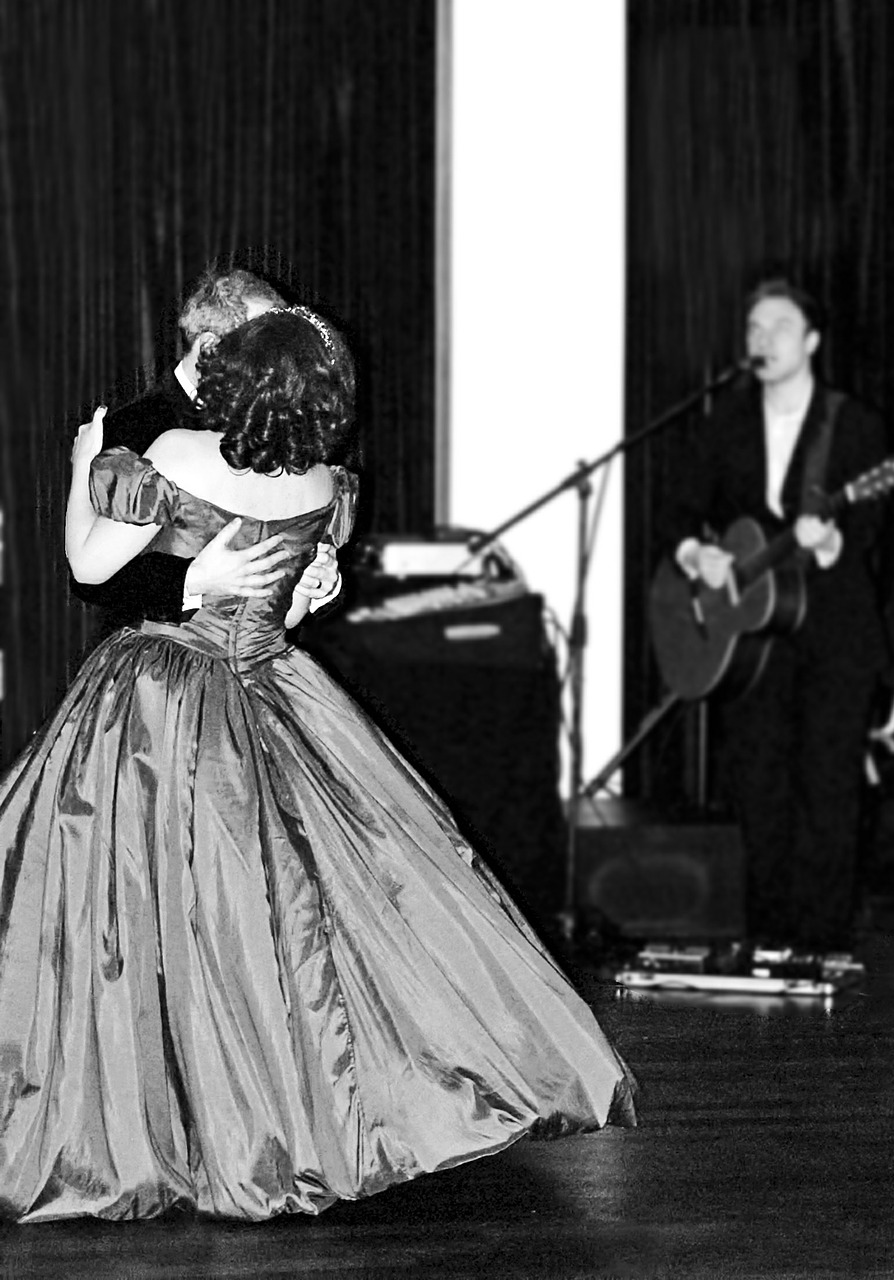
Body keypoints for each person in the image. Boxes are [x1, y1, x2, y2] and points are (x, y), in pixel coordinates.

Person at [0, 306, 635, 1224]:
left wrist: (77, 467)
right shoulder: (322, 486)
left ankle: (161, 1116)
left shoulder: (173, 457)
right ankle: (286, 1113)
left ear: (232, 382)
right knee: (282, 918)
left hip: (163, 691)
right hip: (268, 686)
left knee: (131, 906)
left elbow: (88, 567)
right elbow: (290, 606)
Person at [673, 278, 890, 954]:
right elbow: (682, 507)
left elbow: (883, 527)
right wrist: (695, 555)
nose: (761, 340)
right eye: (753, 329)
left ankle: (821, 943)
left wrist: (832, 544)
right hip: (751, 641)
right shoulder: (727, 421)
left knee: (827, 788)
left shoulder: (852, 426)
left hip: (832, 632)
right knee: (759, 784)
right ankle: (766, 937)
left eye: (778, 327)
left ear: (813, 341)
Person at [70, 267, 341, 633]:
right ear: (211, 347)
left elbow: (286, 602)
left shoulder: (286, 438)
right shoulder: (132, 427)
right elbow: (90, 580)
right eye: (261, 341)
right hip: (160, 668)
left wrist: (321, 583)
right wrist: (189, 581)